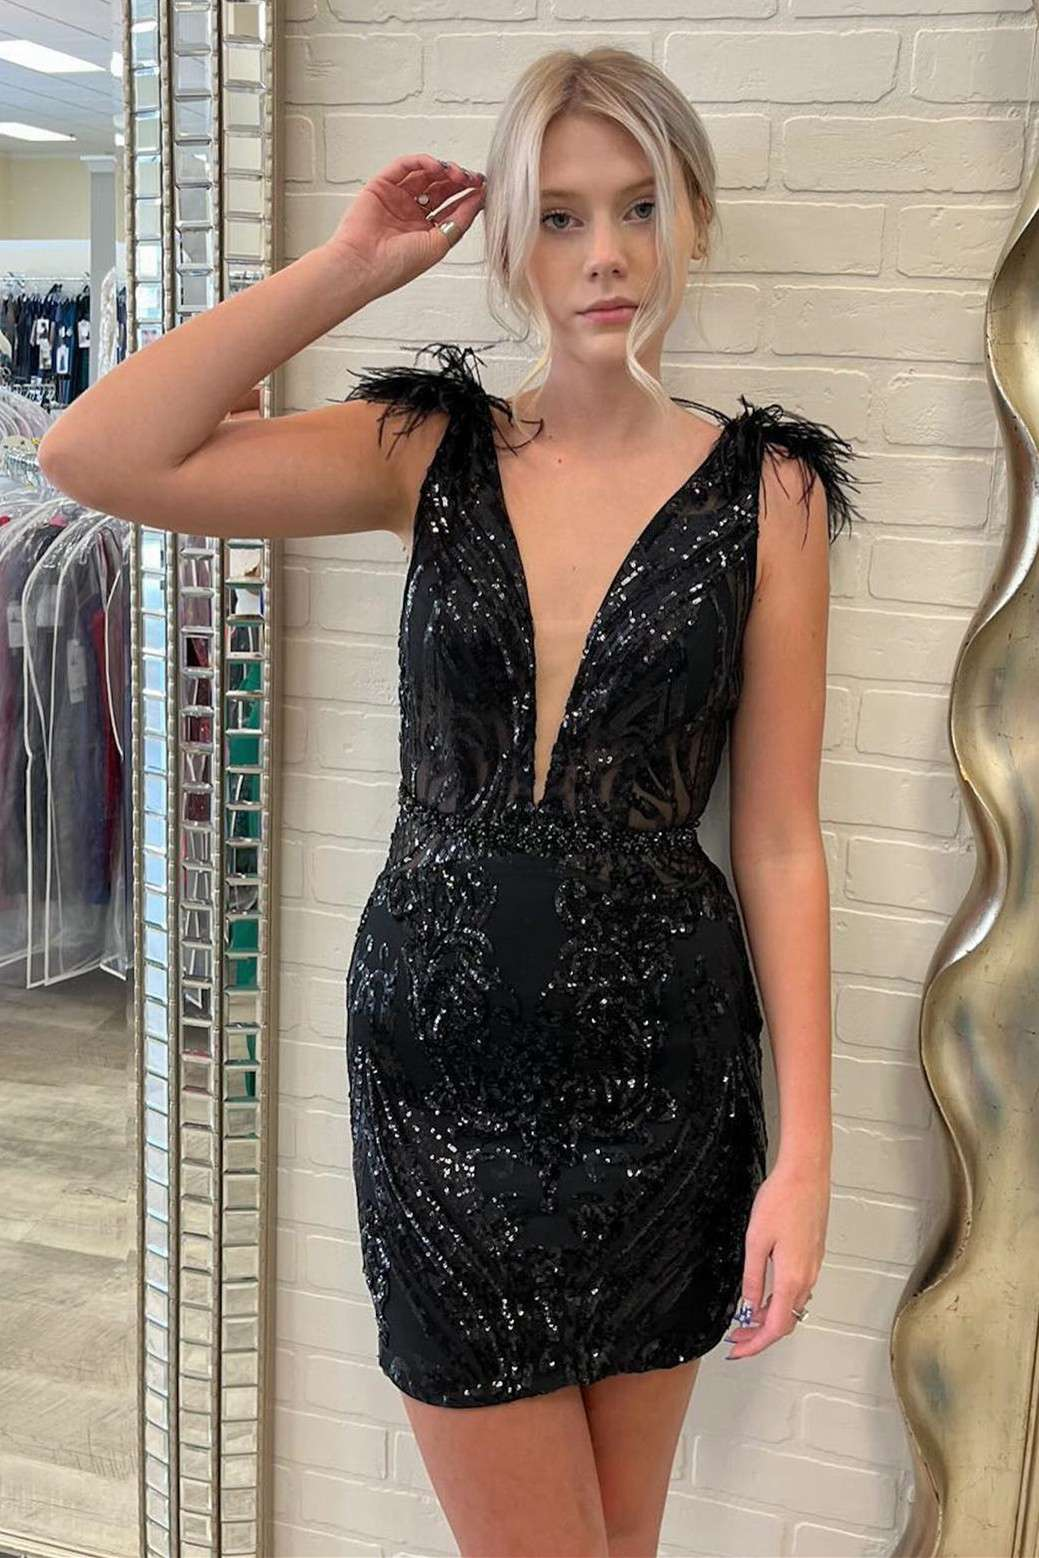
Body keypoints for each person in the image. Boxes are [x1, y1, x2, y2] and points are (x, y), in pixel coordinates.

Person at [39, 44, 866, 1558]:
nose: (605, 254)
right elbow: (95, 452)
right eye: (559, 216)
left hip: (665, 1082)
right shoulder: (426, 448)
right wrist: (352, 268)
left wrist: (806, 1154)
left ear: (690, 215)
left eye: (637, 207)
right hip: (439, 1078)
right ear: (510, 241)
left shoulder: (773, 497)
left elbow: (777, 839)